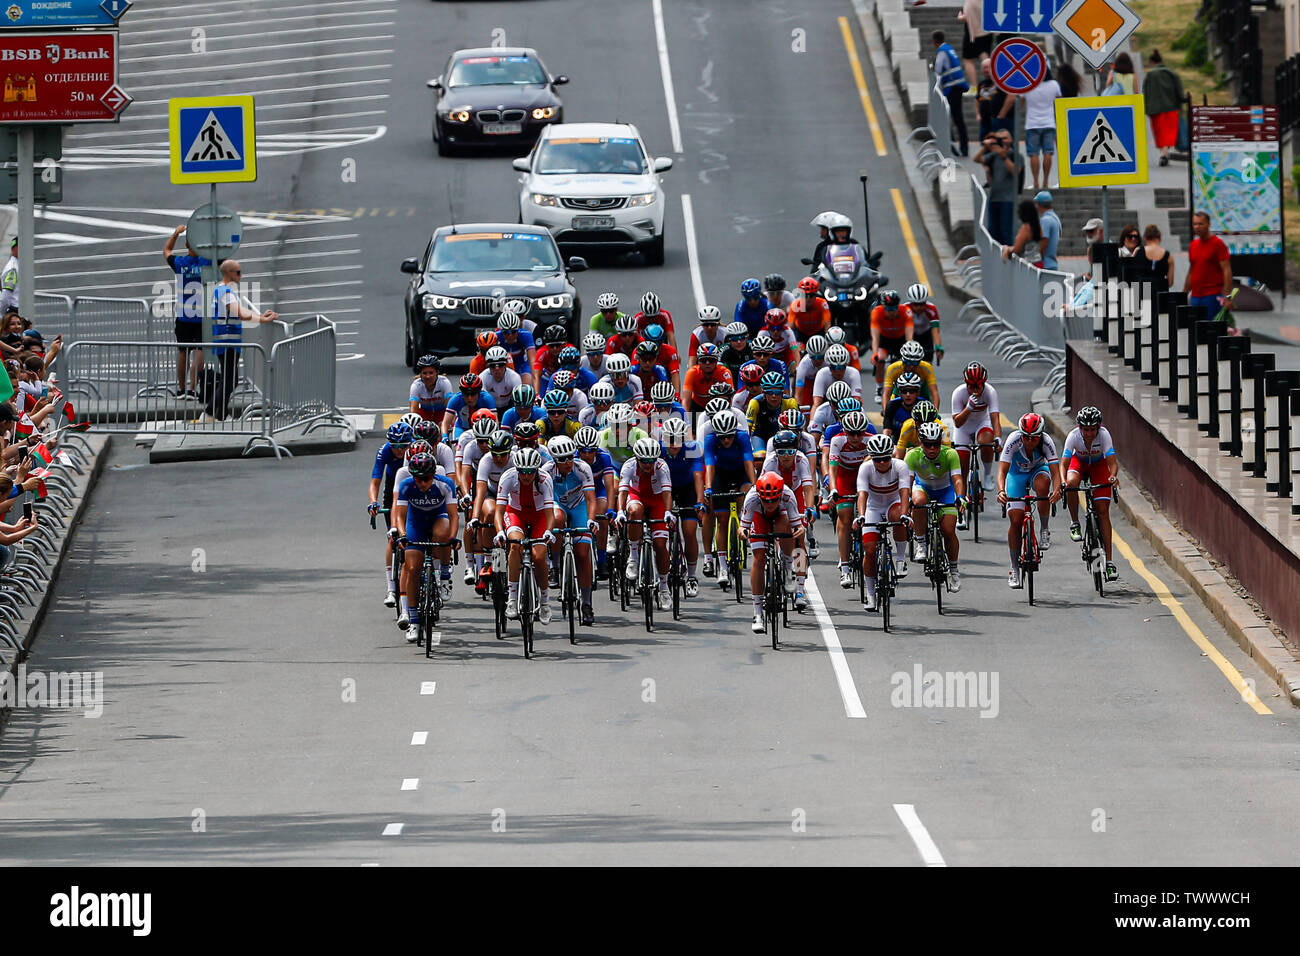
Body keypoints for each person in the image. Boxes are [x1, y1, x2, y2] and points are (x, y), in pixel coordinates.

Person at [390, 452, 459, 637]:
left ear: (433, 475)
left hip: (438, 518)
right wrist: (403, 535)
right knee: (412, 568)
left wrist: (452, 538)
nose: (422, 483)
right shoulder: (406, 485)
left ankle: (444, 575)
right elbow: (400, 515)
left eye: (426, 479)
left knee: (442, 533)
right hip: (416, 523)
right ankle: (413, 620)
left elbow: (453, 515)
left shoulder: (445, 484)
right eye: (418, 479)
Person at [207, 259, 279, 421]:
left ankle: (218, 413)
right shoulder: (224, 292)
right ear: (229, 273)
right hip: (227, 343)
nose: (241, 275)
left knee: (230, 379)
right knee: (230, 380)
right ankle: (213, 412)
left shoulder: (224, 291)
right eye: (238, 272)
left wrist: (260, 316)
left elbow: (240, 310)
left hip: (227, 342)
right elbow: (239, 313)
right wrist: (262, 320)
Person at [997, 412, 1062, 589]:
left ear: (1040, 435)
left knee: (1043, 485)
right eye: (1026, 437)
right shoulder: (1013, 440)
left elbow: (1056, 472)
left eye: (1034, 438)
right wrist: (1001, 491)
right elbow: (1002, 471)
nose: (1029, 441)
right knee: (1016, 520)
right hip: (1016, 475)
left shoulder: (1047, 442)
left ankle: (1044, 529)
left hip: (1038, 470)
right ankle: (1014, 568)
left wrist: (1057, 490)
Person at [542, 436, 599, 626]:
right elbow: (545, 502)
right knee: (557, 519)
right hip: (557, 504)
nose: (568, 462)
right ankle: (555, 566)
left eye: (570, 457)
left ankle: (587, 603)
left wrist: (591, 520)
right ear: (554, 459)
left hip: (579, 505)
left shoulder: (582, 468)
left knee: (583, 554)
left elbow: (591, 499)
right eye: (562, 459)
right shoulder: (547, 471)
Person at [495, 446, 556, 623]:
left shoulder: (545, 479)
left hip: (539, 517)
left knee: (538, 557)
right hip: (516, 514)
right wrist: (499, 531)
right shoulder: (508, 477)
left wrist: (548, 532)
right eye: (522, 471)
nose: (527, 475)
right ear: (517, 469)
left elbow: (550, 514)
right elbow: (499, 511)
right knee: (514, 545)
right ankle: (512, 599)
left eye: (530, 471)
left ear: (537, 469)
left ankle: (544, 602)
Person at [852, 432, 913, 610]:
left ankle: (901, 559)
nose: (882, 463)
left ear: (891, 456)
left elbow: (904, 492)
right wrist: (861, 515)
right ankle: (870, 593)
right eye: (877, 459)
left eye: (885, 458)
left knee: (897, 516)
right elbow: (862, 494)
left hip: (893, 503)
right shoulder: (865, 468)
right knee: (869, 550)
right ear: (872, 458)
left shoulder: (900, 466)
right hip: (873, 507)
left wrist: (905, 513)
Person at [905, 420, 966, 592]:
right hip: (923, 489)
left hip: (945, 492)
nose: (932, 449)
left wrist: (960, 497)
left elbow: (958, 480)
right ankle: (921, 542)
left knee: (948, 530)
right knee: (917, 502)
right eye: (928, 444)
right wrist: (907, 500)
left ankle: (954, 571)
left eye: (936, 444)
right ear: (920, 442)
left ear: (941, 442)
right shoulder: (912, 455)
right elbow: (907, 483)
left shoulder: (950, 454)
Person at [616, 436, 676, 609]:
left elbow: (666, 492)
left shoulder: (662, 466)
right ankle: (633, 557)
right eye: (644, 461)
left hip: (657, 500)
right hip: (637, 496)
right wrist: (620, 511)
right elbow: (622, 491)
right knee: (634, 511)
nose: (648, 464)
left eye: (651, 460)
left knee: (660, 545)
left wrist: (667, 513)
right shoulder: (628, 466)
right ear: (636, 459)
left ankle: (664, 588)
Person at [1062, 405, 1120, 583]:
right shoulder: (1073, 436)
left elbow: (1112, 463)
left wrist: (1112, 477)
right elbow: (1063, 464)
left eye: (1092, 429)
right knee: (1072, 484)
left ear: (1098, 427)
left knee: (1102, 512)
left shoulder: (1104, 435)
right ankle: (1075, 523)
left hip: (1098, 466)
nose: (1088, 433)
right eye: (1085, 429)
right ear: (1080, 427)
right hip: (1078, 463)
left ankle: (1109, 563)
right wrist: (1063, 482)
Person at [740, 472, 803, 632]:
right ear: (760, 496)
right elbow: (743, 528)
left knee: (786, 526)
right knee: (759, 559)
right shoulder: (752, 497)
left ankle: (789, 568)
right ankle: (757, 613)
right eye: (766, 500)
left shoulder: (788, 495)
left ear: (780, 495)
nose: (770, 503)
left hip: (782, 515)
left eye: (774, 499)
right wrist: (743, 532)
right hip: (758, 517)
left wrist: (799, 529)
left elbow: (797, 525)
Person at [701, 409, 756, 588]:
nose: (726, 440)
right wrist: (708, 488)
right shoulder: (710, 439)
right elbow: (709, 465)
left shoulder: (741, 437)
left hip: (740, 473)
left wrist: (754, 486)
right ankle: (723, 567)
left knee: (747, 490)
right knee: (722, 519)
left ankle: (743, 521)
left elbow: (748, 462)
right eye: (722, 437)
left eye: (729, 436)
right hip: (720, 476)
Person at [162, 225, 212, 399]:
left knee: (183, 351)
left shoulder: (180, 263)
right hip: (202, 316)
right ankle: (192, 389)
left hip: (184, 315)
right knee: (200, 350)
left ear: (186, 246)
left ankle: (181, 389)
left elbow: (166, 250)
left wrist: (175, 233)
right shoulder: (207, 262)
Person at [368, 421, 413, 607]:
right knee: (392, 538)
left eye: (404, 446)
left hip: (412, 490)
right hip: (392, 491)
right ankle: (391, 589)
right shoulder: (385, 451)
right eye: (395, 446)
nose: (400, 451)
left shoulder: (415, 450)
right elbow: (375, 480)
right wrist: (373, 502)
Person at [660, 416, 706, 596]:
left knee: (689, 531)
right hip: (666, 487)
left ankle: (692, 576)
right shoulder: (658, 450)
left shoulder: (692, 448)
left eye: (678, 439)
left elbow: (698, 477)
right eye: (670, 439)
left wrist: (700, 502)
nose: (674, 444)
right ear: (664, 439)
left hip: (687, 488)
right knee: (662, 529)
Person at [951, 361, 1001, 493]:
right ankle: (963, 496)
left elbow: (995, 418)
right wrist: (968, 408)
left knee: (986, 443)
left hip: (982, 423)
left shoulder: (990, 392)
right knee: (962, 464)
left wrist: (998, 438)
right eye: (970, 386)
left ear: (983, 383)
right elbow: (957, 423)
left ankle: (988, 474)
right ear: (966, 383)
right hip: (963, 428)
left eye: (978, 386)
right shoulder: (959, 393)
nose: (974, 389)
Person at [1011, 68, 1060, 192]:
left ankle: (1036, 181)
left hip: (1032, 124)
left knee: (1033, 154)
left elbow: (1020, 103)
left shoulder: (1028, 85)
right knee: (1048, 152)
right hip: (1049, 122)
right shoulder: (1054, 84)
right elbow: (1060, 101)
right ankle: (1046, 181)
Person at [1183, 211, 1232, 319]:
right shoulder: (1193, 245)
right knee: (1196, 330)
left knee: (1211, 330)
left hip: (1212, 296)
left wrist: (1228, 297)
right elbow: (1192, 271)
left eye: (1201, 224)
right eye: (1195, 224)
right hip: (1195, 297)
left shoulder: (1218, 244)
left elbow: (1227, 270)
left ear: (1209, 224)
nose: (1197, 227)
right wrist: (1184, 293)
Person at [977, 128, 1021, 246]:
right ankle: (996, 259)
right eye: (1000, 138)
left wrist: (1004, 157)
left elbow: (1016, 171)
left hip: (1008, 199)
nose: (1003, 141)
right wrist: (985, 147)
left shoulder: (1014, 155)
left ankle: (1009, 258)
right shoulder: (993, 155)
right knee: (993, 231)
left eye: (1005, 138)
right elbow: (977, 159)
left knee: (1006, 231)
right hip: (994, 198)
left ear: (1011, 140)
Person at [868, 289, 913, 398]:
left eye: (894, 308)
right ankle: (879, 388)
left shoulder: (906, 311)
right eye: (888, 309)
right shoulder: (876, 312)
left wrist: (909, 350)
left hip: (900, 340)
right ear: (883, 306)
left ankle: (904, 384)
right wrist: (875, 354)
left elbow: (909, 336)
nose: (891, 312)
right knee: (880, 358)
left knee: (906, 362)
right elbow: (875, 336)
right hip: (884, 341)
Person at [1142, 50, 1185, 166]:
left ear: (1152, 62)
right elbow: (1179, 90)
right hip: (1171, 108)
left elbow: (1145, 92)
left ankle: (1163, 154)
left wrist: (1146, 108)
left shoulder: (1150, 75)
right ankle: (1164, 153)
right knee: (1169, 133)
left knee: (1160, 133)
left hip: (1155, 110)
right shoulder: (1171, 74)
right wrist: (1182, 101)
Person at [933, 31, 970, 156]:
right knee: (957, 118)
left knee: (953, 117)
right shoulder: (949, 49)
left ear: (934, 41)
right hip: (958, 86)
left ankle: (955, 144)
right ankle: (958, 144)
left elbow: (938, 69)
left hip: (953, 88)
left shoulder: (942, 51)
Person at [903, 283, 943, 365]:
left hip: (926, 335)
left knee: (927, 365)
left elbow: (935, 331)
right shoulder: (905, 309)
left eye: (922, 304)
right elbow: (904, 330)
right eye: (916, 304)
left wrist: (938, 347)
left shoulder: (931, 309)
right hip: (910, 334)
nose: (919, 307)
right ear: (911, 302)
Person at [957, 0, 992, 90]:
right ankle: (992, 83)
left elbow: (966, 17)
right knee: (985, 58)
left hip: (972, 34)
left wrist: (961, 17)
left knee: (968, 60)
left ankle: (974, 87)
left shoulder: (970, 2)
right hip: (986, 33)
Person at [787, 276, 831, 344]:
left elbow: (827, 324)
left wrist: (828, 340)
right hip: (801, 334)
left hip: (819, 333)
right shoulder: (795, 305)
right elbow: (790, 327)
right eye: (805, 295)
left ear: (816, 295)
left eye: (811, 295)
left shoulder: (822, 303)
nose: (808, 299)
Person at [408, 354, 452, 422]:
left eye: (431, 373)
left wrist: (446, 424)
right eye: (424, 373)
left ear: (437, 373)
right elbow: (414, 411)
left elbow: (449, 408)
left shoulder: (444, 382)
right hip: (424, 414)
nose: (428, 376)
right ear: (420, 374)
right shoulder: (416, 385)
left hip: (442, 414)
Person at [1140, 224, 1175, 294]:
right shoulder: (1169, 256)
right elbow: (1170, 282)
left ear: (1145, 238)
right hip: (1161, 296)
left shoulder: (1138, 252)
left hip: (1144, 294)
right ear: (1159, 238)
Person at [1033, 191, 1061, 271]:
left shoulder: (1045, 220)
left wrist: (1037, 258)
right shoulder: (1055, 218)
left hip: (1045, 265)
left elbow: (1044, 241)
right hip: (1052, 263)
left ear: (1039, 204)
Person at [0, 238, 16, 317]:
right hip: (15, 311)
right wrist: (3, 315)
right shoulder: (12, 269)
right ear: (13, 250)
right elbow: (6, 296)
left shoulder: (19, 263)